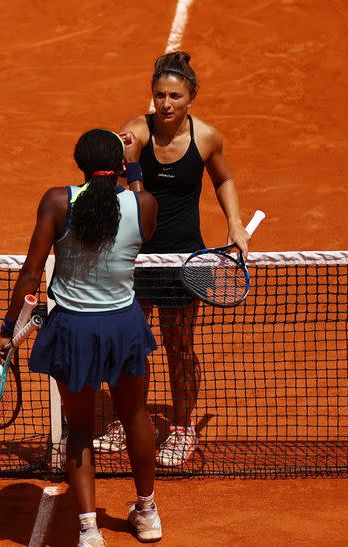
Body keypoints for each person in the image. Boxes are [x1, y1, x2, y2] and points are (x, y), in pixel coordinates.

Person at [0, 129, 160, 547]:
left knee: (79, 429)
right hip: (124, 325)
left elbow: (31, 274)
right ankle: (147, 512)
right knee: (135, 415)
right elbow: (139, 206)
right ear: (120, 166)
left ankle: (89, 535)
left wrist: (9, 329)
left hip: (75, 331)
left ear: (79, 163)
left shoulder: (58, 202)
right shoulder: (143, 204)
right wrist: (135, 168)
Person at [92, 51, 251, 467]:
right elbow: (126, 153)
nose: (165, 104)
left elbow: (225, 178)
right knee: (129, 345)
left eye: (175, 96)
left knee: (179, 347)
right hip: (137, 260)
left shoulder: (207, 138)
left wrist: (234, 223)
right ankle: (127, 419)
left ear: (190, 98)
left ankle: (180, 427)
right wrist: (125, 152)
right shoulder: (136, 130)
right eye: (160, 95)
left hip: (184, 260)